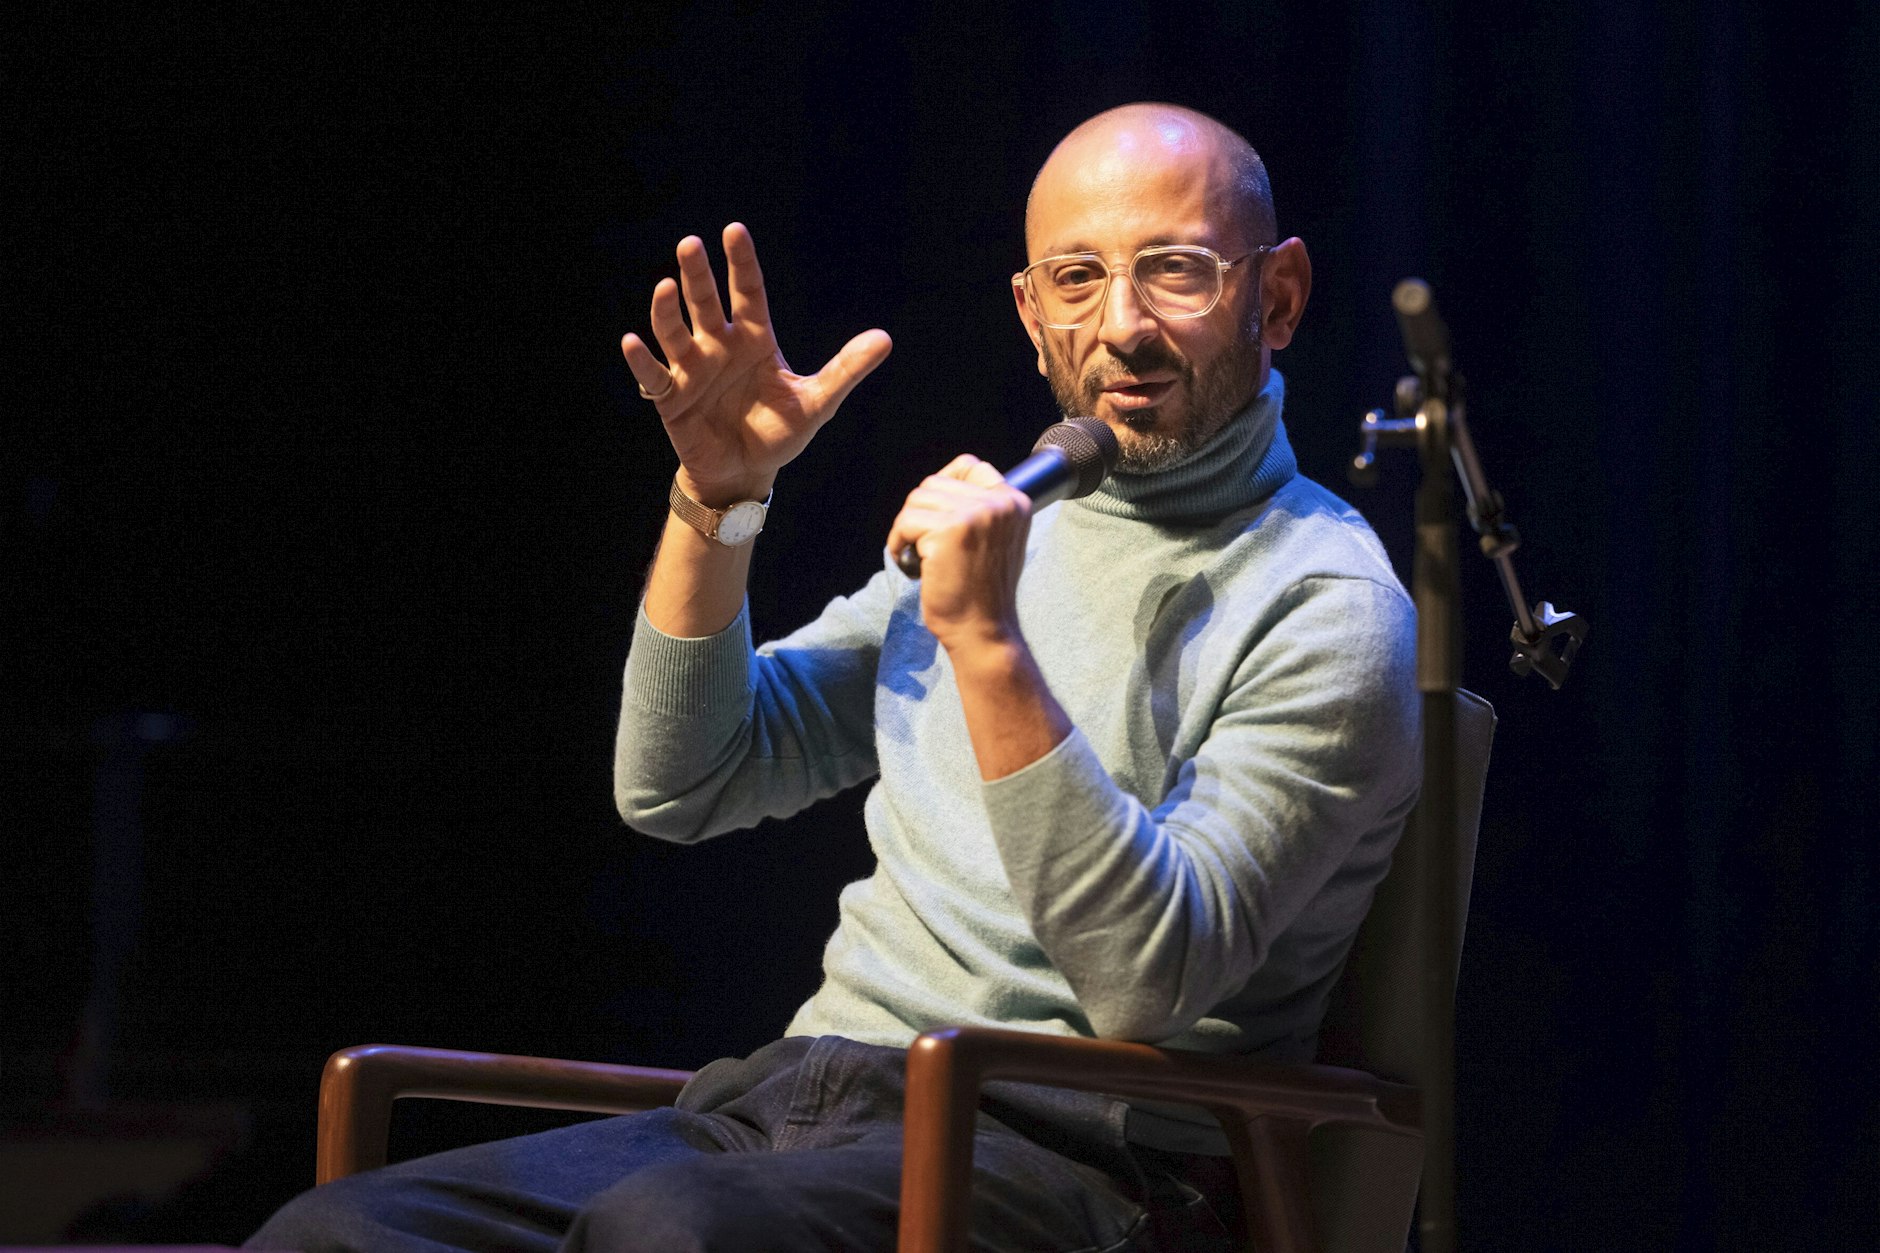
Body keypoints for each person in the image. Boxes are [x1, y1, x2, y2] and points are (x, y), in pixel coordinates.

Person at [248, 102, 1418, 1253]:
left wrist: (988, 646)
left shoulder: (1324, 602)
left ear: (1275, 297)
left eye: (1172, 270)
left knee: (668, 1229)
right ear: (1027, 308)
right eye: (1075, 277)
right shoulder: (1013, 524)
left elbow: (1144, 983)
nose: (1120, 325)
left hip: (1084, 1154)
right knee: (343, 1227)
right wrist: (716, 502)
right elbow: (683, 780)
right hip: (801, 1103)